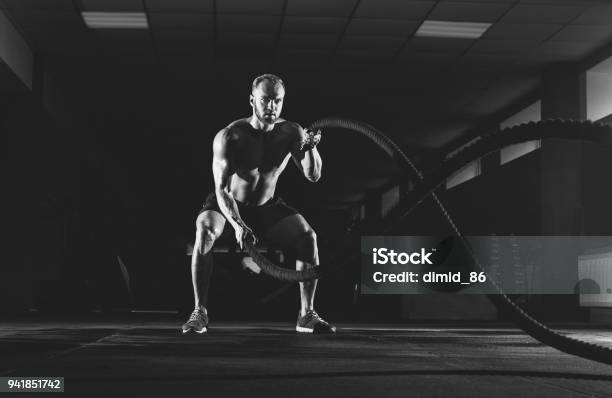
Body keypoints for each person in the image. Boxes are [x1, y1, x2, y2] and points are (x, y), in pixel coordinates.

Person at [182, 74, 336, 334]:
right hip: (229, 202)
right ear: (252, 100)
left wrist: (311, 148)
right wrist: (237, 223)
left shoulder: (291, 132)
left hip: (267, 206)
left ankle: (306, 315)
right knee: (205, 230)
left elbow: (314, 176)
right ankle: (199, 311)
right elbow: (220, 188)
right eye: (265, 100)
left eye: (277, 101)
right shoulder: (231, 136)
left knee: (308, 237)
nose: (271, 107)